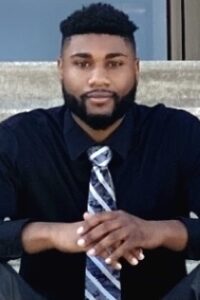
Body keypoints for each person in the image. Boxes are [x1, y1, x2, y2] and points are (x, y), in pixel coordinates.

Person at [0, 2, 200, 300]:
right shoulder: (21, 138)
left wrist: (156, 232)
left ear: (136, 68)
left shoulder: (179, 133)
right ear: (60, 69)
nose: (98, 78)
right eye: (82, 63)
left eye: (114, 63)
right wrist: (52, 234)